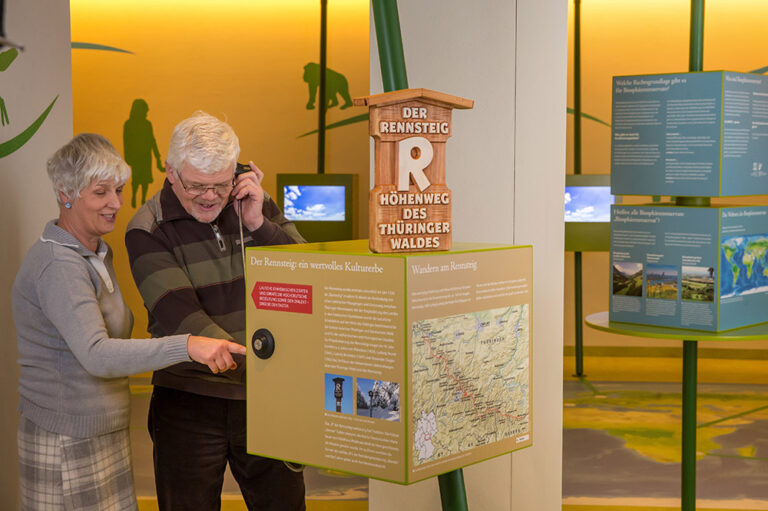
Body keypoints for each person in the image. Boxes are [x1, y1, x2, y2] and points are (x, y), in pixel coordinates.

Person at [12, 133, 247, 510]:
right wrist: (187, 344)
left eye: (118, 190)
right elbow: (98, 354)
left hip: (100, 431)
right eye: (101, 192)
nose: (116, 204)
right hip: (66, 437)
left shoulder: (95, 255)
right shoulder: (59, 264)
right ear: (65, 193)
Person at [125, 111, 306, 510]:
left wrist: (259, 223)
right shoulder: (147, 229)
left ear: (238, 174)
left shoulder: (253, 203)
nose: (209, 197)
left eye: (220, 185)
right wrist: (273, 365)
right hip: (189, 401)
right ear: (170, 172)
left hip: (268, 397)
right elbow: (184, 318)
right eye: (196, 186)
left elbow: (306, 278)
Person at [123, 98, 164, 208]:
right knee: (136, 179)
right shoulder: (129, 124)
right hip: (136, 157)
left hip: (146, 156)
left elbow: (152, 140)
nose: (146, 113)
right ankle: (134, 197)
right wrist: (128, 158)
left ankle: (143, 199)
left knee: (145, 179)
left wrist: (157, 157)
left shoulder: (147, 124)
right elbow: (127, 142)